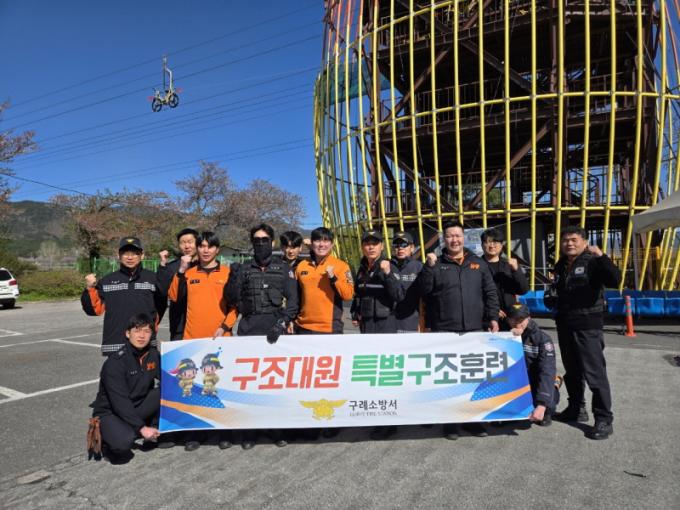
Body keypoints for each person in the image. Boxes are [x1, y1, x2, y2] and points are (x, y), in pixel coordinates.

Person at [418, 221, 500, 439]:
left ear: (464, 238)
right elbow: (424, 291)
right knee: (449, 379)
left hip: (475, 329)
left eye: (457, 235)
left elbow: (490, 292)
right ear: (444, 239)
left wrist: (493, 317)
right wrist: (428, 267)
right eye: (449, 236)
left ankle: (474, 421)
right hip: (444, 330)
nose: (454, 239)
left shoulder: (477, 263)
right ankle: (450, 423)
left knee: (474, 377)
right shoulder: (436, 263)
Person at [225, 223, 299, 449]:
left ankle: (277, 429)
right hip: (248, 330)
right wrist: (233, 278)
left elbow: (294, 302)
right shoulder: (243, 268)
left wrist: (281, 323)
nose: (260, 244)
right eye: (256, 240)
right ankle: (250, 430)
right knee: (249, 385)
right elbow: (231, 299)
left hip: (275, 331)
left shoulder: (283, 268)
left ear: (272, 242)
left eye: (264, 240)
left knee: (274, 383)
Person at [544, 226, 620, 440]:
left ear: (585, 242)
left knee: (595, 373)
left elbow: (614, 280)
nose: (569, 243)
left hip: (588, 325)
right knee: (573, 370)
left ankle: (604, 418)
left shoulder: (593, 261)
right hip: (565, 323)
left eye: (574, 239)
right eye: (565, 240)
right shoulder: (560, 265)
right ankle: (576, 408)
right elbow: (558, 289)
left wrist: (602, 257)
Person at [168, 231, 237, 451]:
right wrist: (181, 270)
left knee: (220, 386)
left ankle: (223, 432)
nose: (206, 250)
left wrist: (224, 326)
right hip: (193, 340)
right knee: (194, 388)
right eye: (202, 246)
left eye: (210, 246)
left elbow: (235, 306)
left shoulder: (227, 273)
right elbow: (174, 296)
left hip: (221, 340)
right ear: (197, 249)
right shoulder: (188, 273)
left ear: (217, 250)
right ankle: (195, 432)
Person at [90, 313, 161, 464]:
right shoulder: (115, 362)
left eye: (147, 331)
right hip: (111, 412)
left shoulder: (153, 355)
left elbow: (170, 379)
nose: (142, 336)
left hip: (137, 405)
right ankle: (107, 439)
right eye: (137, 330)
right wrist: (141, 428)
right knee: (124, 442)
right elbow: (119, 402)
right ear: (128, 334)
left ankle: (153, 430)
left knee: (165, 391)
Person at [81, 237, 166, 356]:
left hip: (145, 343)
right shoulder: (107, 280)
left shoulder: (152, 278)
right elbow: (94, 310)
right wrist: (90, 288)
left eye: (135, 253)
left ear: (142, 255)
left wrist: (152, 326)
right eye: (125, 253)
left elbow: (161, 305)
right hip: (115, 344)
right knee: (116, 369)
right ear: (118, 255)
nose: (130, 257)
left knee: (147, 368)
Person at [506, 303, 560, 427]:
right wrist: (508, 337)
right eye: (513, 319)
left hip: (536, 382)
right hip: (516, 382)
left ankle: (548, 405)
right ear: (508, 320)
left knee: (548, 402)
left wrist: (542, 404)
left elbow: (547, 370)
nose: (517, 324)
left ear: (528, 319)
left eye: (521, 320)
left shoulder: (543, 339)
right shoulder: (502, 336)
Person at [295, 226, 354, 334]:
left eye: (326, 241)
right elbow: (296, 297)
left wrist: (333, 278)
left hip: (329, 328)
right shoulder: (302, 265)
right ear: (312, 243)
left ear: (332, 244)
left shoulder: (341, 266)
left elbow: (348, 295)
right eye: (317, 240)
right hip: (303, 326)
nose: (321, 244)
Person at [350, 229, 402, 334]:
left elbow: (398, 295)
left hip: (385, 324)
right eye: (367, 244)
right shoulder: (362, 269)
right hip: (366, 324)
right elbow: (358, 294)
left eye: (375, 244)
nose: (371, 247)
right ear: (362, 247)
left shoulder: (390, 267)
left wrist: (388, 274)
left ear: (382, 246)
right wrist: (355, 312)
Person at [480, 228, 529, 330]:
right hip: (487, 318)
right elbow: (473, 295)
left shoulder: (509, 265)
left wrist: (516, 270)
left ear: (501, 245)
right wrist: (492, 311)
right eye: (488, 242)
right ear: (482, 245)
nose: (492, 245)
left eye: (495, 242)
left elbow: (523, 290)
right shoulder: (476, 266)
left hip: (511, 317)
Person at [156, 228, 199, 340]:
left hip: (201, 322)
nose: (187, 246)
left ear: (197, 243)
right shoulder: (172, 267)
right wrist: (163, 265)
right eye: (182, 243)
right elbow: (162, 291)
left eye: (190, 242)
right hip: (179, 325)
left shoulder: (205, 266)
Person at [389, 231, 423, 333]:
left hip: (412, 324)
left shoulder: (420, 267)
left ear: (412, 248)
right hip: (389, 324)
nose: (400, 248)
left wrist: (422, 322)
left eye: (404, 245)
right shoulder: (387, 266)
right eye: (396, 245)